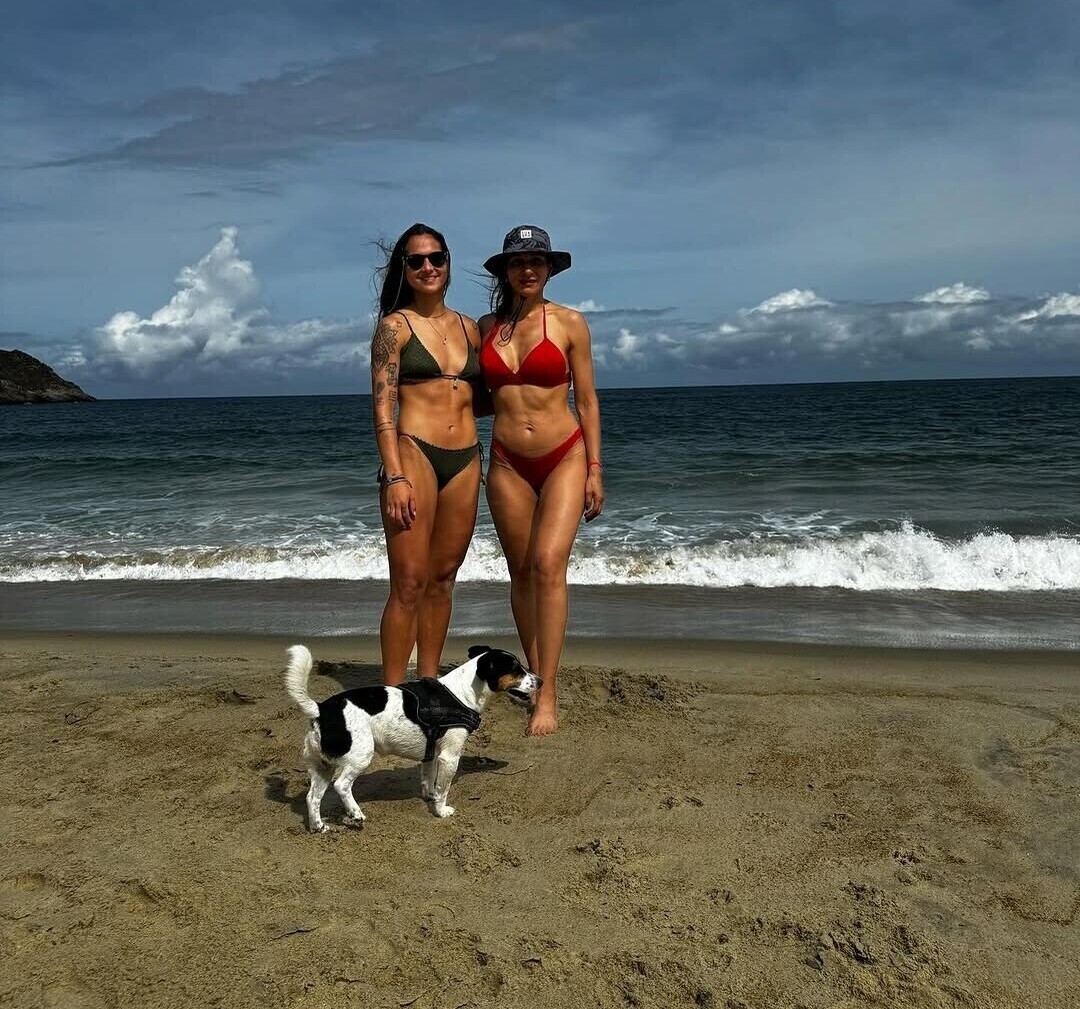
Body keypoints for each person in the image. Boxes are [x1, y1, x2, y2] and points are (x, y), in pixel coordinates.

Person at [478, 225, 604, 735]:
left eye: (536, 261)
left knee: (549, 564)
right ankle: (533, 675)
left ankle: (547, 691)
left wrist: (595, 468)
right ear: (505, 271)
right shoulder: (485, 327)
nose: (527, 269)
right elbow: (464, 392)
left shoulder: (571, 322)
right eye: (517, 262)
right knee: (521, 572)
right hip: (507, 461)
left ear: (550, 268)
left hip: (564, 455)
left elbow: (587, 400)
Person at [369, 223, 484, 685]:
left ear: (448, 262)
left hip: (466, 459)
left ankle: (429, 684)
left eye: (436, 257)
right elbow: (383, 410)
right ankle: (393, 693)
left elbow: (490, 396)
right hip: (414, 453)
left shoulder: (471, 329)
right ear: (404, 268)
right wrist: (394, 476)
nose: (428, 267)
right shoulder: (393, 328)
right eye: (416, 260)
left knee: (443, 578)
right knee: (410, 583)